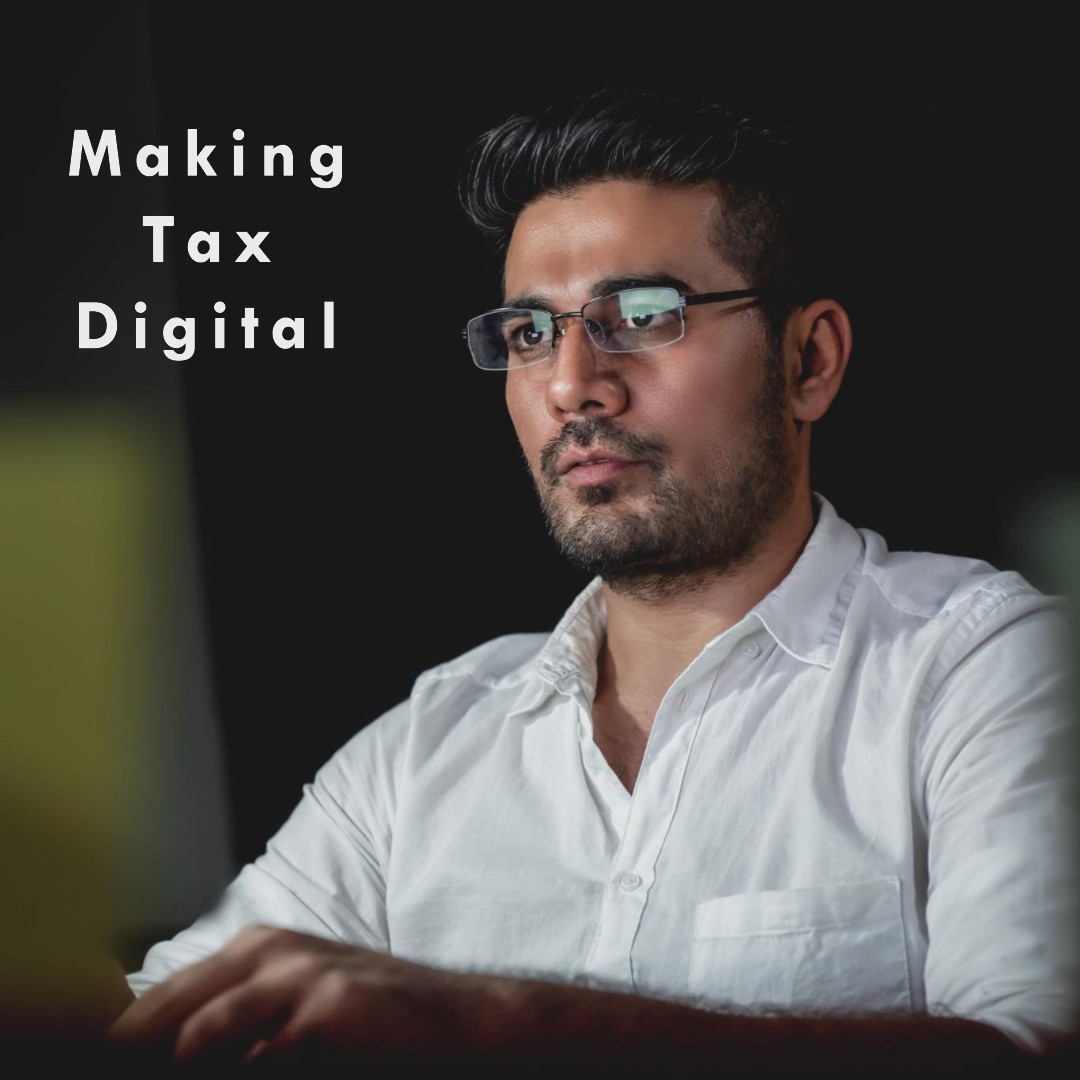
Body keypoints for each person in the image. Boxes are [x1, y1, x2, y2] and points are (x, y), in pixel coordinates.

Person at [107, 87, 1078, 1071]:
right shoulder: (426, 751)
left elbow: (1037, 1050)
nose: (572, 384)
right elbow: (156, 1029)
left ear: (809, 361)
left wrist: (497, 1025)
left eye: (644, 315)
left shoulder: (986, 671)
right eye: (530, 333)